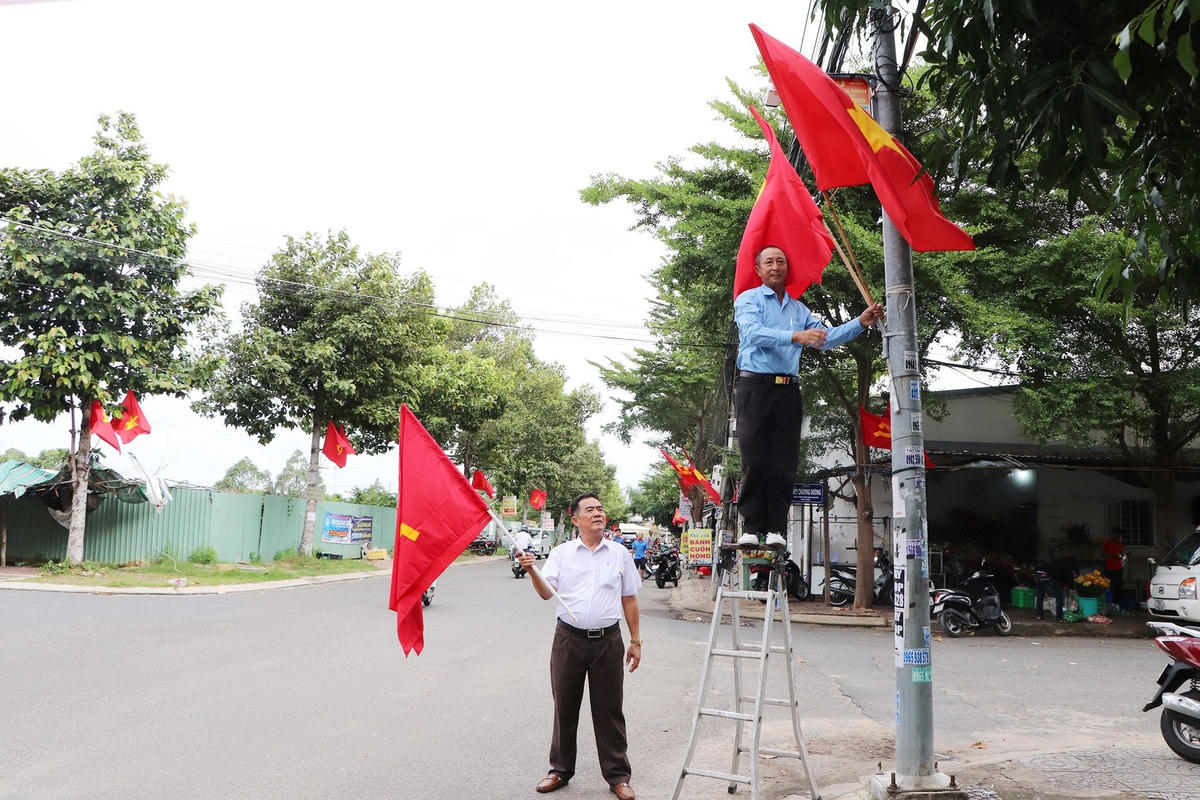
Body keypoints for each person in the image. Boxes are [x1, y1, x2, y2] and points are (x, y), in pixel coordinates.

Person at [734, 245, 883, 547]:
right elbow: (753, 334)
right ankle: (751, 527)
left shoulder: (799, 310)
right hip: (754, 387)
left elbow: (823, 339)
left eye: (781, 261)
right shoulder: (748, 300)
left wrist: (860, 322)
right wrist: (795, 336)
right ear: (758, 270)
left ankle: (776, 529)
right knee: (755, 457)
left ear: (787, 269)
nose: (775, 266)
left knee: (784, 461)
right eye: (769, 262)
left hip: (788, 389)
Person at [518, 493, 641, 800]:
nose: (598, 513)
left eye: (600, 508)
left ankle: (617, 777)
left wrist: (636, 640)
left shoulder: (619, 553)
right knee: (565, 706)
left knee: (610, 710)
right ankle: (559, 770)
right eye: (590, 510)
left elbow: (629, 598)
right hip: (568, 641)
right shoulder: (561, 554)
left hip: (608, 642)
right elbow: (547, 594)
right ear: (575, 520)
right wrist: (532, 569)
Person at [1103, 528, 1126, 599]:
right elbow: (1103, 555)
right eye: (1117, 535)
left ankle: (1117, 603)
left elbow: (1122, 556)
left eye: (1119, 535)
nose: (1118, 537)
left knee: (1118, 586)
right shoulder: (1107, 543)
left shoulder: (1120, 544)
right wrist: (1113, 556)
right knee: (1110, 586)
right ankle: (1110, 602)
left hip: (1118, 568)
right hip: (1109, 568)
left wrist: (1123, 558)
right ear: (1113, 534)